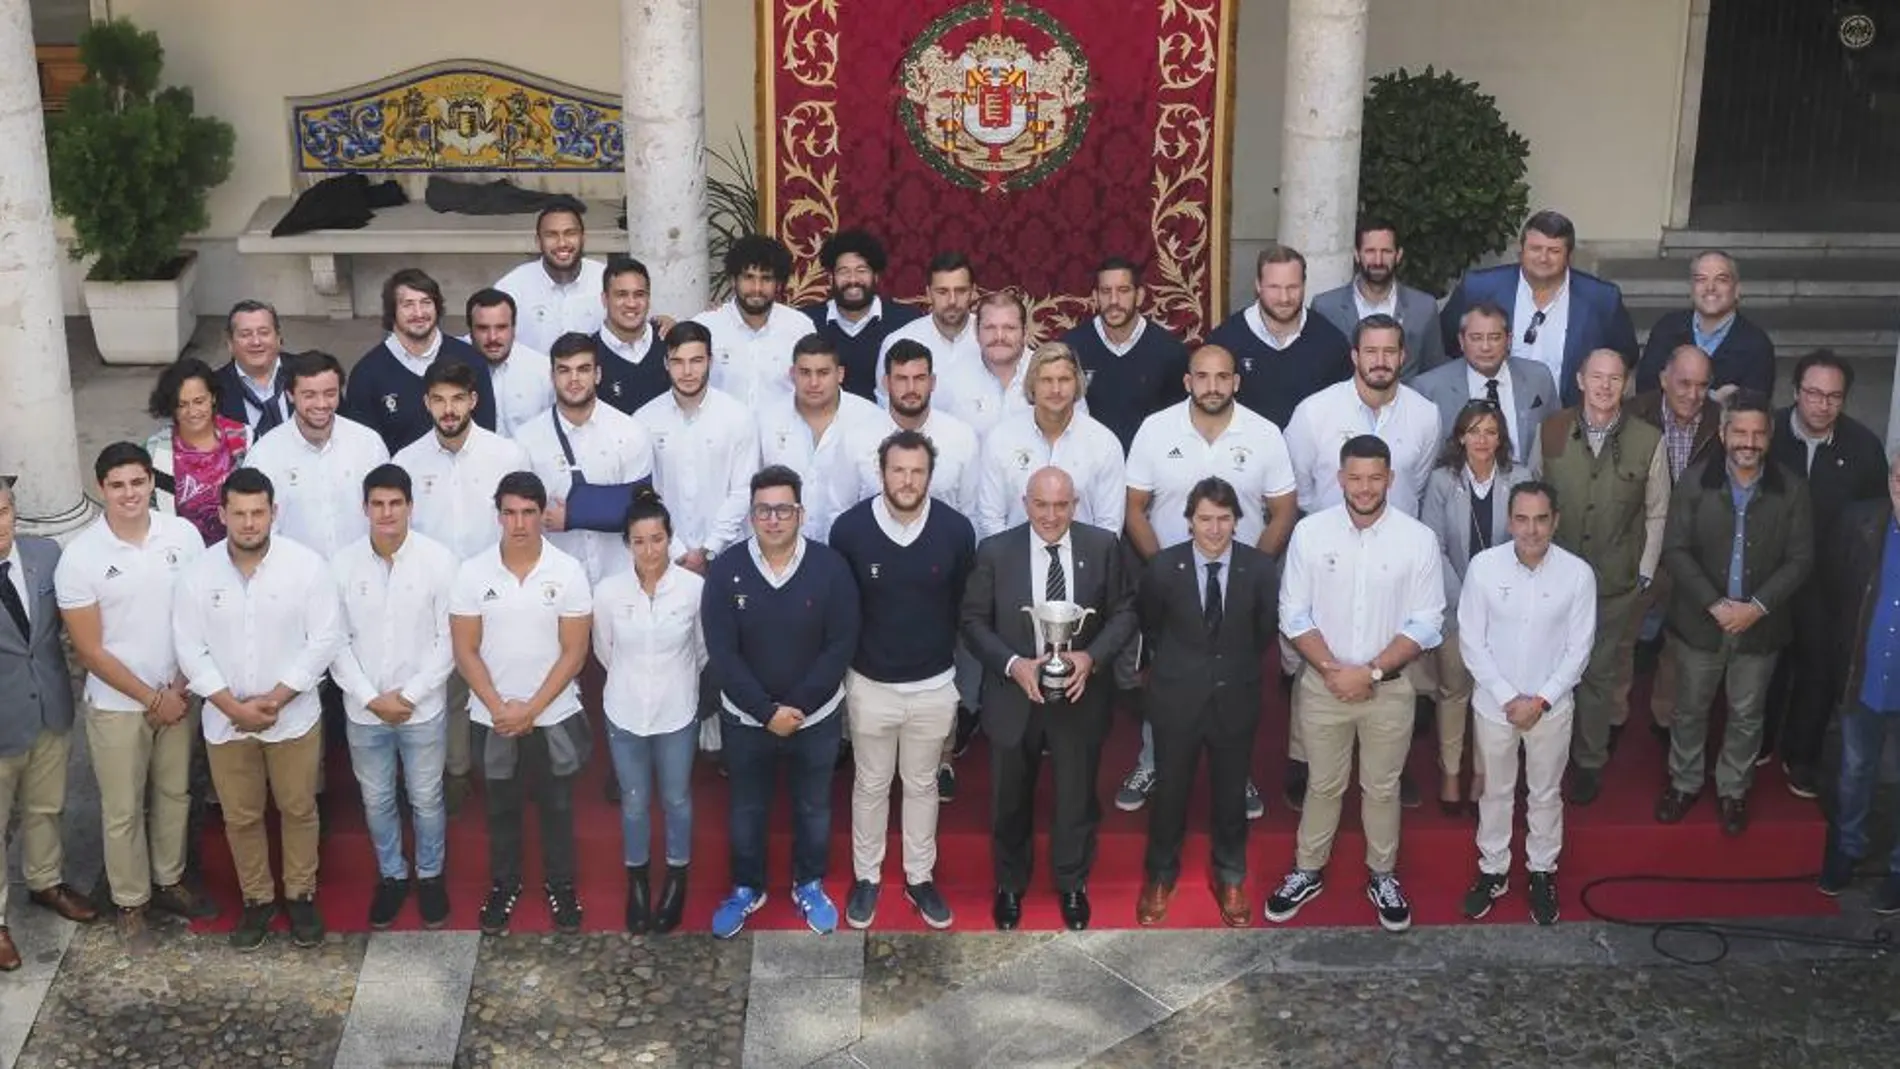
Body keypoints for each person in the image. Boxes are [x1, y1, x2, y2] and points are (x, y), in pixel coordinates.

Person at [1266, 435, 1444, 933]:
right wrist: (1332, 672)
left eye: (1375, 477)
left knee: (1382, 788)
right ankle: (1307, 870)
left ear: (1389, 479)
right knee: (1322, 784)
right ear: (1340, 478)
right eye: (1355, 477)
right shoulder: (1310, 534)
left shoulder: (1417, 539)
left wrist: (1369, 673)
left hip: (1389, 688)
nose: (1364, 488)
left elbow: (1428, 621)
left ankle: (1382, 875)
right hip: (1324, 687)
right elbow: (1292, 612)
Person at [1116, 343, 1296, 816]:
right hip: (1173, 583)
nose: (1212, 386)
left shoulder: (1264, 433)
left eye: (1222, 377)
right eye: (1203, 376)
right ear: (1187, 382)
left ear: (1236, 381)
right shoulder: (1156, 431)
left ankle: (1239, 775)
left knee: (1235, 681)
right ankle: (1152, 760)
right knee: (1166, 679)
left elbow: (1283, 510)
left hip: (1239, 585)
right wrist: (1160, 570)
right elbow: (1134, 508)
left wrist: (1252, 571)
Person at [172, 468, 345, 951]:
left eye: (259, 513)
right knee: (241, 816)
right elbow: (190, 648)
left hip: (292, 716)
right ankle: (256, 901)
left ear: (274, 513)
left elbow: (323, 640)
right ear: (222, 514)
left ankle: (301, 893)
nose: (249, 523)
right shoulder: (197, 574)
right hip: (226, 720)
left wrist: (275, 699)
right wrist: (232, 705)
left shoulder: (307, 568)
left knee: (298, 807)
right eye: (240, 514)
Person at [962, 466, 1137, 932]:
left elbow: (1125, 613)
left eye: (1061, 505)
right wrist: (1013, 665)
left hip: (1079, 694)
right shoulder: (995, 552)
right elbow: (974, 621)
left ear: (1075, 504)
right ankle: (1010, 884)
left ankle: (1072, 883)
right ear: (1025, 503)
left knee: (1076, 797)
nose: (1051, 515)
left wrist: (1092, 658)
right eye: (1042, 504)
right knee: (1009, 798)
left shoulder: (1103, 547)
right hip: (1014, 695)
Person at [56, 443, 216, 951]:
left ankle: (169, 881)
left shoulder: (183, 536)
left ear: (152, 482)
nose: (129, 493)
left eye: (138, 481)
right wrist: (152, 698)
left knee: (174, 794)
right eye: (118, 485)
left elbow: (200, 614)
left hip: (178, 692)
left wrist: (181, 687)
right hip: (119, 706)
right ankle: (130, 900)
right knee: (123, 807)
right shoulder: (80, 557)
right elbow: (89, 650)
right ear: (102, 489)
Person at [701, 466, 861, 939]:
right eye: (764, 510)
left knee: (813, 807)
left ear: (800, 513)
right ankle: (748, 887)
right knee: (747, 809)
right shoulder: (727, 569)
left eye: (783, 509)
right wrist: (766, 712)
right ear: (751, 515)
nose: (774, 519)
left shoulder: (831, 567)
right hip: (747, 718)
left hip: (816, 716)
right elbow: (722, 652)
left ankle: (808, 883)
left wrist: (799, 708)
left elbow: (841, 643)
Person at [829, 431, 976, 930]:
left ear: (930, 476)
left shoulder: (957, 531)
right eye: (898, 470)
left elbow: (961, 604)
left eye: (917, 472)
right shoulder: (849, 531)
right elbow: (842, 612)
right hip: (870, 683)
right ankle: (866, 877)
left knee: (922, 785)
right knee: (869, 784)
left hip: (935, 684)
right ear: (882, 472)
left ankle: (919, 877)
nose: (907, 481)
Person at [1657, 398, 1813, 835]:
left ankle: (1733, 789)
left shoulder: (1791, 487)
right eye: (1740, 433)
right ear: (1724, 435)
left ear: (1769, 437)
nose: (1749, 442)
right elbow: (1675, 549)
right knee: (1689, 709)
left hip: (1760, 626)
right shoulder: (1695, 482)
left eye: (1758, 434)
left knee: (1747, 713)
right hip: (1700, 621)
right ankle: (1684, 782)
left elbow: (1801, 559)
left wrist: (1756, 608)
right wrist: (1715, 604)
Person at [450, 471, 594, 935]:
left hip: (552, 715)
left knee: (557, 805)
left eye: (528, 512)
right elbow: (464, 649)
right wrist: (499, 707)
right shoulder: (472, 572)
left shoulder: (568, 571)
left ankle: (561, 885)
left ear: (541, 516)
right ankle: (505, 885)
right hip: (492, 717)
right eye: (510, 512)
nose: (519, 523)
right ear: (498, 516)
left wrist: (529, 709)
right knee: (500, 807)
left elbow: (575, 651)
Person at [1134, 477, 1278, 928]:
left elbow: (1262, 631)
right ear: (1189, 521)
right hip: (1177, 698)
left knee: (1231, 794)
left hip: (1235, 696)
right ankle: (1160, 876)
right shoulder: (1162, 567)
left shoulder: (1258, 569)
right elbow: (1151, 627)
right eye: (1204, 519)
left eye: (1223, 519)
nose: (1214, 529)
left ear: (1238, 521)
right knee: (1169, 793)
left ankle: (1230, 876)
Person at [1456, 481, 1595, 925]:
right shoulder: (1483, 568)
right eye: (1521, 519)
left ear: (1555, 520)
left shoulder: (1577, 574)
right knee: (1494, 792)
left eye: (1540, 519)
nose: (1531, 530)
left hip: (1550, 708)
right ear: (1509, 521)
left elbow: (1579, 649)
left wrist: (1540, 700)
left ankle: (1541, 871)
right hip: (1494, 706)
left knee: (1545, 793)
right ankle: (1492, 871)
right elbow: (1472, 641)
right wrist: (1506, 697)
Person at [330, 464, 458, 930]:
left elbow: (450, 639)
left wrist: (410, 693)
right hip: (364, 711)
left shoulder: (439, 561)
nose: (386, 513)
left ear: (410, 507)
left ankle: (429, 876)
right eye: (377, 504)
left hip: (421, 707)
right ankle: (391, 875)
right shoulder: (341, 565)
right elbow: (334, 640)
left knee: (426, 797)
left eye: (395, 504)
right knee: (378, 799)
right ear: (364, 508)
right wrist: (369, 697)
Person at [1538, 348, 1668, 806]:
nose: (1605, 386)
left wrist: (1644, 573)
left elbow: (1657, 511)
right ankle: (1543, 761)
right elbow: (1534, 496)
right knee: (1548, 670)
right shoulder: (1551, 428)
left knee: (1598, 675)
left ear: (1626, 385)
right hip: (1553, 579)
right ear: (1580, 378)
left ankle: (1589, 763)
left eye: (1616, 378)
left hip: (1615, 583)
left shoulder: (1650, 439)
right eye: (1597, 376)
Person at [858, 339, 984, 799]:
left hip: (943, 568)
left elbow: (972, 511)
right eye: (900, 378)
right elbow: (842, 507)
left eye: (919, 378)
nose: (910, 389)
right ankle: (872, 758)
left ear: (932, 382)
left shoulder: (961, 436)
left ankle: (942, 758)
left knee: (942, 665)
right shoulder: (858, 434)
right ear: (885, 382)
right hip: (875, 571)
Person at [1764, 349, 1887, 795]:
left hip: (1829, 581)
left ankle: (1802, 755)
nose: (1822, 404)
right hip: (1769, 576)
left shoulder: (1864, 447)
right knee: (1766, 664)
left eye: (1834, 396)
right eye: (1813, 393)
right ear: (1795, 391)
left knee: (1818, 668)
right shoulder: (1768, 432)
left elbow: (1875, 515)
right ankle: (1759, 744)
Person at [592, 489, 705, 934]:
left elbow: (702, 650)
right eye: (639, 541)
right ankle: (637, 880)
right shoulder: (608, 592)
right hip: (624, 710)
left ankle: (677, 875)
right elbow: (605, 650)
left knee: (677, 797)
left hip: (677, 710)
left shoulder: (694, 589)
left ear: (669, 538)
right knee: (635, 802)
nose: (649, 550)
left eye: (657, 539)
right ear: (627, 544)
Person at [0, 476, 97, 973]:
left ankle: (45, 883)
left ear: (14, 513)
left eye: (2, 512)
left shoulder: (43, 556)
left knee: (45, 807)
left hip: (50, 710)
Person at [1420, 401, 1534, 813]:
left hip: (1505, 610)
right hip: (1454, 606)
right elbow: (1434, 547)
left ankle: (1484, 776)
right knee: (1453, 692)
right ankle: (1451, 773)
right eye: (1474, 431)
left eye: (1490, 431)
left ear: (1500, 437)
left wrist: (1493, 597)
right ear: (1461, 437)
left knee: (1492, 696)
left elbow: (1527, 542)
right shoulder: (1440, 482)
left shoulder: (1519, 478)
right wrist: (1467, 598)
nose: (1482, 440)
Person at [1440, 210, 1639, 407]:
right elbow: (1447, 343)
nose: (1543, 258)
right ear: (1521, 250)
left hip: (1566, 420)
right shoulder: (1479, 288)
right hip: (1488, 418)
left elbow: (1624, 355)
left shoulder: (1601, 298)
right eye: (1535, 248)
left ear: (1569, 255)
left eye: (1554, 251)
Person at [1624, 344, 1721, 746]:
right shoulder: (1632, 414)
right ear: (1664, 379)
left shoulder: (1722, 422)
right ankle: (1612, 720)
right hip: (1638, 548)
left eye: (1702, 386)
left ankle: (1665, 719)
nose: (1692, 395)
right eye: (1684, 383)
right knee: (1620, 640)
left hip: (1694, 556)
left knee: (1679, 647)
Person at [1818, 451, 1900, 914]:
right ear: (1891, 479)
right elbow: (1835, 588)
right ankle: (1848, 849)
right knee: (1855, 771)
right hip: (1864, 676)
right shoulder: (1861, 522)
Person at [513, 333, 658, 585]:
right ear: (552, 376)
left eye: (583, 369)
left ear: (598, 374)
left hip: (620, 579)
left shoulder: (630, 432)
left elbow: (642, 509)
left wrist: (574, 514)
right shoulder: (525, 440)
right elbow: (518, 515)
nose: (574, 379)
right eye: (564, 370)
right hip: (553, 582)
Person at [1285, 313, 1441, 518]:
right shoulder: (1313, 412)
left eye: (1390, 351)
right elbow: (1299, 490)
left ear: (1402, 356)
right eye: (1370, 351)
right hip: (1329, 540)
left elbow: (1417, 485)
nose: (1380, 361)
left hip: (1398, 543)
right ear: (1355, 356)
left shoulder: (1426, 415)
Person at [637, 321, 761, 574]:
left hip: (729, 556)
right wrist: (678, 551)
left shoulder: (738, 417)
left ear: (710, 362)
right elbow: (648, 494)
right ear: (666, 364)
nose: (687, 371)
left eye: (696, 360)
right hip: (667, 558)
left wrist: (710, 548)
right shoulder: (644, 420)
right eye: (678, 361)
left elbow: (743, 490)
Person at [244, 350, 391, 559]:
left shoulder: (369, 444)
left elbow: (388, 514)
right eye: (309, 395)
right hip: (295, 582)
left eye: (330, 394)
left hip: (361, 576)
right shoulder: (264, 455)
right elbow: (260, 528)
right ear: (290, 395)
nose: (321, 404)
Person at [973, 343, 1125, 539]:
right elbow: (990, 518)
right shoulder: (1000, 439)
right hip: (1014, 564)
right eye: (1046, 380)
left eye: (1064, 380)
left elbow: (1109, 525)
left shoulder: (1104, 443)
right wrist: (1011, 564)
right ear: (1031, 385)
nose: (1056, 389)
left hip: (1082, 563)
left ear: (1077, 384)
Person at [344, 268, 498, 453]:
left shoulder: (470, 359)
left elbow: (486, 432)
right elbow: (364, 448)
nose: (419, 313)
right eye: (408, 304)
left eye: (426, 302)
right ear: (392, 311)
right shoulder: (366, 374)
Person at [1204, 244, 1352, 428]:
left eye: (1292, 287)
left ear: (1304, 285)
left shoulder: (1331, 342)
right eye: (1274, 287)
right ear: (1258, 285)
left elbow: (1344, 411)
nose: (1284, 298)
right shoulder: (1224, 342)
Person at [757, 333, 887, 541]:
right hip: (783, 549)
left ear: (840, 374)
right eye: (805, 372)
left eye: (823, 372)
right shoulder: (766, 421)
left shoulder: (872, 420)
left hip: (853, 547)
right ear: (792, 374)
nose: (814, 382)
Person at [1410, 301, 1558, 473]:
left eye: (1495, 337)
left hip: (1526, 491)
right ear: (1461, 341)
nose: (1486, 347)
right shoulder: (1429, 388)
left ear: (1509, 340)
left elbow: (1556, 438)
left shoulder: (1538, 378)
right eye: (1476, 338)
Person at [1058, 256, 1189, 449]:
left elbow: (1180, 422)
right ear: (1095, 297)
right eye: (1105, 291)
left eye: (1123, 291)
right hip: (1087, 464)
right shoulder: (1070, 348)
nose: (1114, 300)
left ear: (1140, 296)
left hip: (1149, 467)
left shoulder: (1170, 352)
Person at [1309, 219, 1448, 382]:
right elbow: (1317, 369)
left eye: (1386, 251)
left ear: (1398, 255)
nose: (1378, 260)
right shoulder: (1326, 307)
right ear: (1356, 254)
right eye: (1370, 251)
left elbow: (1435, 372)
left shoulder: (1423, 307)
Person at [937, 291, 1087, 438]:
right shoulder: (951, 380)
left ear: (1025, 333)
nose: (999, 336)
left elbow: (1082, 436)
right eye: (990, 328)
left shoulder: (1057, 374)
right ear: (976, 332)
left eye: (1009, 328)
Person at [1634, 251, 1776, 400]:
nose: (1710, 287)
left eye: (1721, 280)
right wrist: (1714, 399)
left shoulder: (1757, 344)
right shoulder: (1667, 328)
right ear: (1691, 288)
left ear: (1737, 290)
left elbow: (1755, 411)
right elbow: (1645, 392)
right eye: (1701, 279)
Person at [695, 235, 816, 409]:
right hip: (722, 434)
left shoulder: (800, 327)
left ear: (779, 283)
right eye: (748, 277)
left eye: (766, 278)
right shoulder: (706, 326)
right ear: (732, 280)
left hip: (783, 433)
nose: (757, 288)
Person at [805, 228, 921, 400]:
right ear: (830, 278)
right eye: (843, 271)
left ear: (875, 276)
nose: (853, 279)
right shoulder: (807, 323)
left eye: (861, 270)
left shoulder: (907, 322)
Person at [145, 356, 252, 544]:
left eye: (199, 401)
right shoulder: (157, 451)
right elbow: (148, 510)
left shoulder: (244, 438)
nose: (192, 411)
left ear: (213, 397)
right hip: (180, 554)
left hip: (241, 549)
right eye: (182, 404)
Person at [493, 204, 608, 353]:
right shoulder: (512, 287)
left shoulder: (606, 280)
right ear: (538, 241)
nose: (562, 243)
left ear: (583, 237)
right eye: (551, 235)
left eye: (570, 233)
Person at [876, 251, 979, 389]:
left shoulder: (994, 339)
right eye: (942, 292)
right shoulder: (898, 341)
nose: (952, 301)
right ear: (929, 294)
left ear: (973, 292)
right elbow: (885, 403)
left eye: (961, 291)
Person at [465, 288, 554, 438]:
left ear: (514, 327)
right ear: (470, 330)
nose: (492, 337)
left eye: (501, 327)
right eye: (483, 328)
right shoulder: (452, 364)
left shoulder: (543, 370)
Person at [593, 255, 673, 415]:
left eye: (639, 294)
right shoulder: (589, 354)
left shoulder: (670, 342)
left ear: (648, 299)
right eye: (621, 295)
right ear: (604, 299)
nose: (631, 304)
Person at [213, 300, 293, 437]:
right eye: (245, 334)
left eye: (264, 332)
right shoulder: (213, 387)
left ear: (278, 338)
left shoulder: (308, 372)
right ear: (230, 344)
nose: (256, 342)